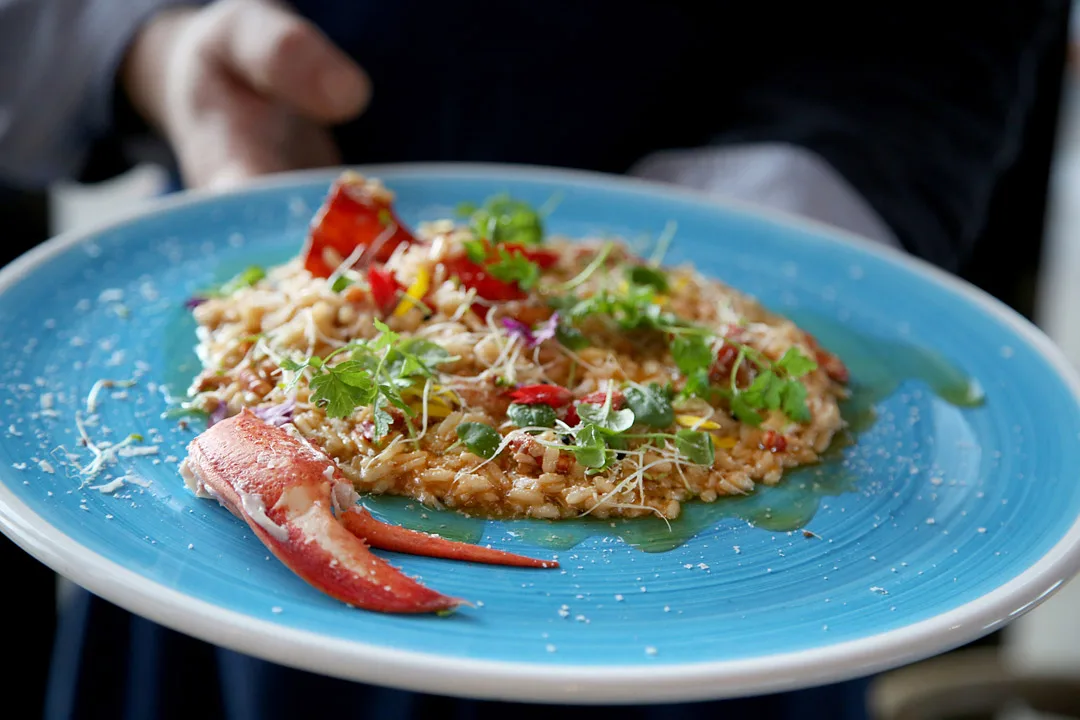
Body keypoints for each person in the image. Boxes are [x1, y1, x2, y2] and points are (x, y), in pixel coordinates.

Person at [0, 1, 1068, 718]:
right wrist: (149, 47)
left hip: (718, 637)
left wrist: (738, 271)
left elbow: (940, 35)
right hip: (242, 532)